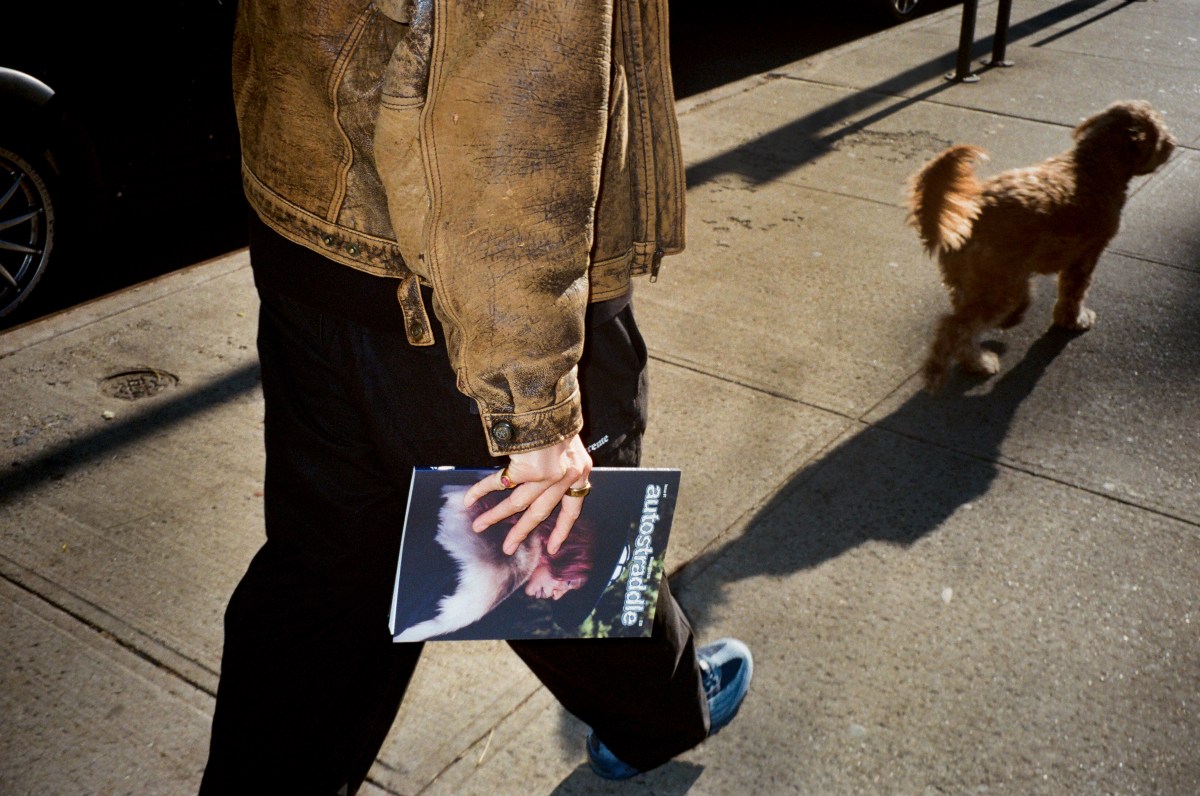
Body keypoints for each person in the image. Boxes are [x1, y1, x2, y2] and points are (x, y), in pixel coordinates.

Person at [199, 1, 753, 793]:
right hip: (452, 279)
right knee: (564, 543)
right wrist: (534, 407)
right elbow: (519, 93)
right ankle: (655, 715)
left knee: (326, 582)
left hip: (312, 217)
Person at [390, 485, 597, 642]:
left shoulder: (480, 521)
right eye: (569, 582)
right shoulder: (470, 570)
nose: (558, 594)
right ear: (561, 548)